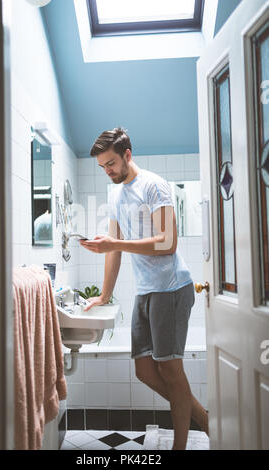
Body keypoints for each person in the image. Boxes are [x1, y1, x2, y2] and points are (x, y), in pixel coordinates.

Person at [79, 127, 209, 450]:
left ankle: (181, 444)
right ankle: (207, 419)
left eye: (110, 164)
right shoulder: (114, 195)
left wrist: (115, 242)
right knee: (144, 370)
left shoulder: (154, 186)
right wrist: (105, 294)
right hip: (146, 290)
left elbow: (167, 243)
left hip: (171, 287)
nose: (107, 171)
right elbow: (113, 250)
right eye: (102, 167)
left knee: (170, 370)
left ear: (127, 155)